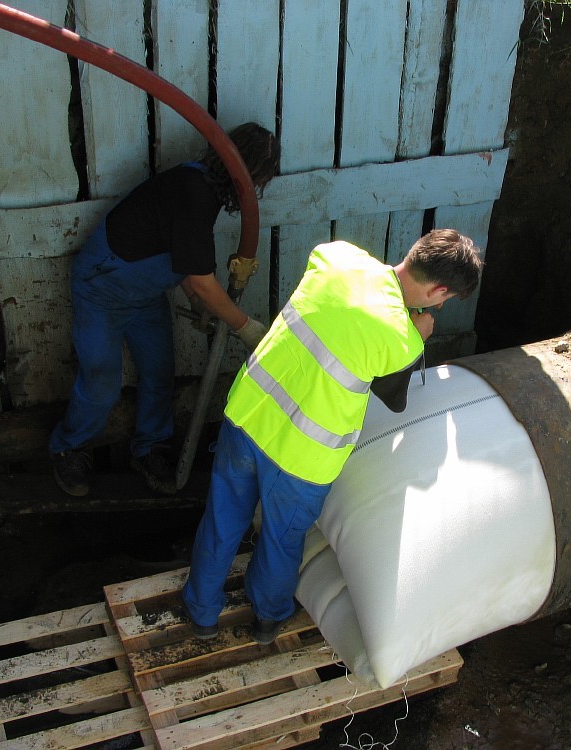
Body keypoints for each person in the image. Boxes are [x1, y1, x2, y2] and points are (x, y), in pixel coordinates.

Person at [182, 229, 483, 644]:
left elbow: (342, 313)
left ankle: (201, 615)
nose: (441, 305)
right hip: (302, 459)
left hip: (248, 417)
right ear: (439, 290)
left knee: (221, 518)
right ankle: (268, 619)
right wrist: (420, 335)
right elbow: (393, 398)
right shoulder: (402, 339)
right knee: (281, 539)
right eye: (445, 299)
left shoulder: (336, 257)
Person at [49, 122, 281, 498]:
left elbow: (187, 267)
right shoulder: (194, 193)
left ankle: (149, 449)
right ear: (242, 173)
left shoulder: (200, 190)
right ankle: (68, 448)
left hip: (144, 295)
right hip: (102, 288)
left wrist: (197, 303)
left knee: (159, 372)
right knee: (101, 381)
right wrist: (244, 326)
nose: (252, 193)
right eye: (255, 181)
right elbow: (202, 279)